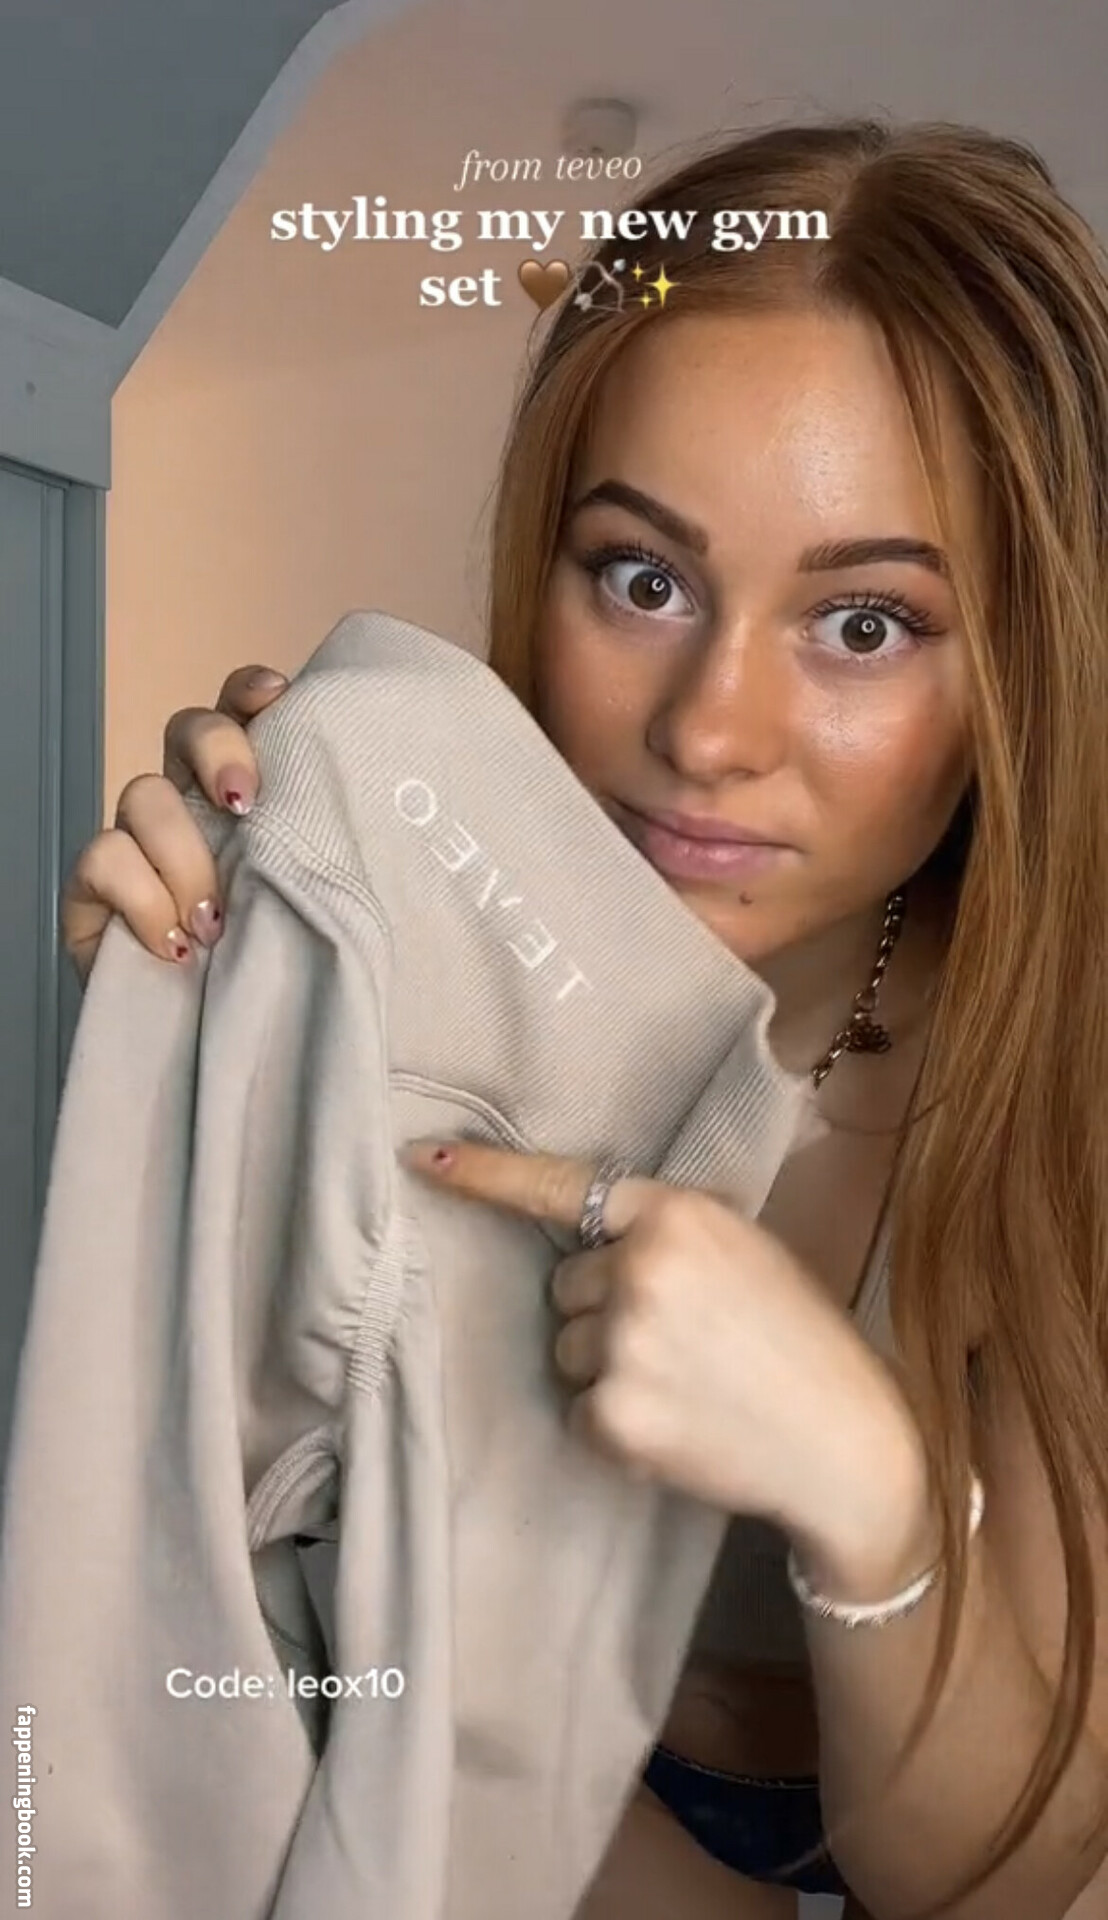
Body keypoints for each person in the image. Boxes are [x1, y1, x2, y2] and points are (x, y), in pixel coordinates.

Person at [60, 120, 1108, 1920]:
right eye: (644, 578)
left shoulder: (1064, 1085)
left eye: (866, 624)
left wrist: (859, 1476)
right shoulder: (410, 944)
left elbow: (989, 1882)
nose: (709, 731)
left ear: (1026, 660)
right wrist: (211, 1012)